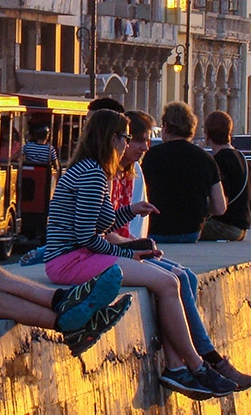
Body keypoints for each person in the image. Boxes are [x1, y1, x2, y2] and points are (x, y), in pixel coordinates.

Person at [43, 109, 238, 400]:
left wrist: (130, 211)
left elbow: (98, 224)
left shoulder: (91, 169)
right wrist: (126, 254)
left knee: (171, 278)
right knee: (167, 283)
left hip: (79, 255)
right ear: (111, 139)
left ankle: (180, 367)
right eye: (124, 137)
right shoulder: (94, 174)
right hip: (70, 260)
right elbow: (85, 237)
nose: (126, 144)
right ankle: (195, 366)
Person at [106, 110, 251, 390]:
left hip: (141, 240)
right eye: (137, 141)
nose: (145, 147)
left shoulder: (140, 166)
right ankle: (204, 360)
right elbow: (220, 207)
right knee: (173, 280)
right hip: (146, 242)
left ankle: (180, 365)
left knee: (186, 277)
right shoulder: (204, 158)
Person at [141, 102, 227, 243]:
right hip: (190, 232)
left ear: (167, 127)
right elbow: (219, 207)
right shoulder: (206, 159)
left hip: (156, 230)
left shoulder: (152, 156)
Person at [200, 111, 251, 242]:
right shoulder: (241, 157)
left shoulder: (219, 161)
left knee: (180, 228)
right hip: (241, 227)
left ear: (207, 134)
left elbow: (220, 205)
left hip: (225, 227)